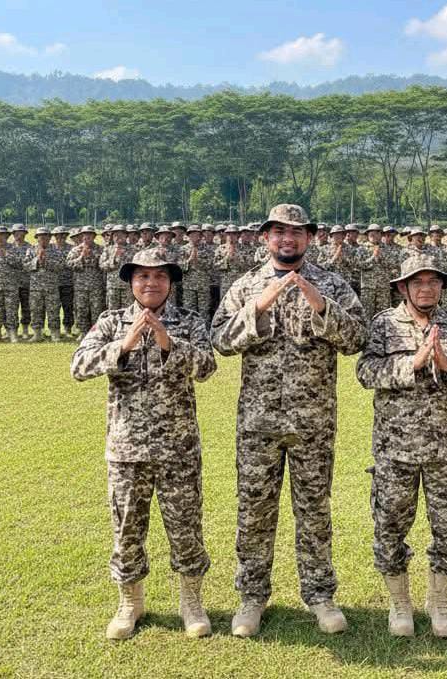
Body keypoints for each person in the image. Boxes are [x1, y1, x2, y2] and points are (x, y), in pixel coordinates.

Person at [211, 204, 367, 638]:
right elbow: (220, 340)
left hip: (313, 423)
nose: (288, 238)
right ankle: (251, 598)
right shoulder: (246, 285)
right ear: (266, 237)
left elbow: (358, 339)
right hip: (257, 423)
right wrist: (257, 308)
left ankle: (320, 596)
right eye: (279, 231)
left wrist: (323, 308)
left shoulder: (331, 284)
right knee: (254, 511)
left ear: (309, 238)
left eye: (297, 232)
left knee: (314, 510)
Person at [72, 250, 216, 640]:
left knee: (185, 527)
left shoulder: (189, 322)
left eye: (159, 276)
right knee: (126, 530)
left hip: (178, 448)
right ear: (131, 282)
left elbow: (207, 367)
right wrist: (124, 344)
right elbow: (78, 367)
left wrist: (169, 343)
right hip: (126, 448)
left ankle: (191, 602)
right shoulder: (111, 322)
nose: (151, 283)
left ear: (170, 282)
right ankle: (130, 603)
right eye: (142, 276)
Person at [356, 254, 447, 638]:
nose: (426, 288)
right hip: (395, 449)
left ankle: (439, 604)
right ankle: (400, 604)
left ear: (442, 287)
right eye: (417, 282)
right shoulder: (384, 325)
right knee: (389, 525)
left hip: (446, 449)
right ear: (403, 287)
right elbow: (365, 372)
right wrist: (413, 363)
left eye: (433, 281)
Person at [23, 226, 65, 342]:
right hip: (36, 287)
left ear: (50, 238)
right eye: (40, 237)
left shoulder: (56, 250)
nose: (43, 239)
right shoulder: (31, 250)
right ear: (37, 238)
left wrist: (46, 261)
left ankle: (54, 334)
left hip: (51, 287)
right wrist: (37, 259)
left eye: (46, 237)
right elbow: (25, 266)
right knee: (35, 311)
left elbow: (61, 266)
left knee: (53, 310)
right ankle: (37, 334)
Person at [66, 225, 106, 342]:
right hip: (80, 286)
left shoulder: (100, 249)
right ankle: (83, 332)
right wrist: (81, 257)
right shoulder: (76, 250)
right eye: (85, 235)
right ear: (81, 236)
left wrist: (92, 256)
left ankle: (96, 333)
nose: (87, 237)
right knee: (81, 309)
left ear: (93, 236)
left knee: (97, 310)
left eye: (89, 235)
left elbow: (103, 265)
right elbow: (69, 264)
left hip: (96, 286)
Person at [99, 224, 135, 311]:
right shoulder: (108, 249)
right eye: (115, 235)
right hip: (112, 286)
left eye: (121, 234)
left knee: (127, 312)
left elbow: (136, 267)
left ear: (126, 235)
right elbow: (102, 265)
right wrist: (114, 259)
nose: (118, 237)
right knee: (112, 312)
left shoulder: (133, 250)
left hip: (127, 286)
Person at [51, 226, 75, 338]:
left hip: (68, 282)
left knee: (68, 307)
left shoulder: (72, 248)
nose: (60, 238)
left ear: (66, 236)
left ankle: (67, 329)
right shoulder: (50, 248)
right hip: (53, 283)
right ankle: (54, 330)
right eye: (58, 236)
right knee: (53, 308)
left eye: (63, 236)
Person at [10, 224, 33, 340]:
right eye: (16, 232)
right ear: (13, 234)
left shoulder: (30, 248)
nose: (19, 235)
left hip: (25, 282)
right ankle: (10, 331)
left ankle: (25, 330)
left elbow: (28, 263)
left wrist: (14, 262)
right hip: (10, 284)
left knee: (26, 308)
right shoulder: (9, 247)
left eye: (21, 232)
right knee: (10, 308)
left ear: (25, 233)